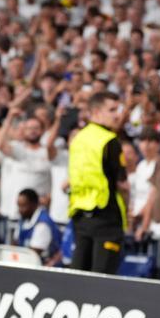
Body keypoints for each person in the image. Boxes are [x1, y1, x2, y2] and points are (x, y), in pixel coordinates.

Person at [67, 91, 128, 274]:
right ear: (96, 111)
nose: (117, 114)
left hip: (79, 215)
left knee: (79, 274)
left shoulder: (77, 138)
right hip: (106, 216)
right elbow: (123, 184)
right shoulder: (109, 140)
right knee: (102, 279)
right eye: (111, 110)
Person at [15, 188, 62, 265]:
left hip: (45, 269)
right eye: (19, 206)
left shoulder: (42, 224)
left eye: (23, 206)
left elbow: (33, 255)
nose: (20, 210)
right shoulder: (23, 219)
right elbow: (15, 245)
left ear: (34, 205)